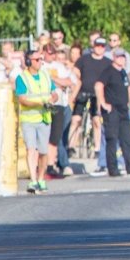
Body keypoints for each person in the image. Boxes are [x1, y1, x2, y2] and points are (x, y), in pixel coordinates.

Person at [94, 48, 130, 177]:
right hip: (112, 110)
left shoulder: (123, 72)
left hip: (123, 110)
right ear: (114, 58)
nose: (121, 59)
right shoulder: (108, 71)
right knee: (112, 139)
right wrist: (103, 103)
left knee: (127, 140)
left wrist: (128, 103)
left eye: (123, 57)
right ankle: (113, 169)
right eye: (118, 57)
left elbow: (127, 88)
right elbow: (98, 86)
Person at [15, 49, 57, 194]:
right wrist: (40, 103)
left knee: (43, 152)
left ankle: (41, 178)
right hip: (29, 119)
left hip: (44, 118)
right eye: (36, 60)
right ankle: (33, 180)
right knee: (31, 150)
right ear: (28, 62)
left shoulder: (46, 75)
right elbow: (22, 99)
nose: (40, 62)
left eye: (40, 59)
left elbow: (54, 93)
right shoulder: (22, 78)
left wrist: (52, 100)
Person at [73, 36, 112, 157]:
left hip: (98, 96)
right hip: (83, 93)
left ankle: (97, 148)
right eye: (97, 46)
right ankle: (71, 146)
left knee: (96, 121)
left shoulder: (108, 63)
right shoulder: (84, 60)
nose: (99, 48)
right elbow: (75, 71)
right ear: (93, 46)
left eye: (102, 46)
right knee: (76, 120)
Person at [47, 46, 79, 176]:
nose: (59, 60)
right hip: (53, 104)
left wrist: (72, 96)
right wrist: (59, 82)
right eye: (57, 57)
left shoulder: (64, 69)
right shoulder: (45, 66)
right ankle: (64, 164)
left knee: (62, 136)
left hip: (65, 104)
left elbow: (72, 82)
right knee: (57, 136)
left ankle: (60, 162)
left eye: (61, 58)